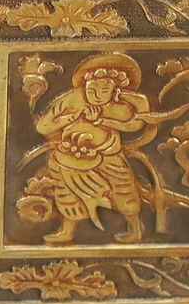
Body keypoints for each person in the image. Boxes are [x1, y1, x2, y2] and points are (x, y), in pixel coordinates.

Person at [34, 53, 164, 243]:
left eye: (104, 90)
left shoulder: (119, 106)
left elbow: (135, 124)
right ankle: (67, 230)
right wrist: (71, 117)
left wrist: (102, 119)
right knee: (66, 194)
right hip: (68, 156)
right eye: (92, 89)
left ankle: (135, 229)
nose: (97, 95)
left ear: (114, 89)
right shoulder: (72, 99)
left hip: (109, 157)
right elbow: (42, 126)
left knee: (124, 191)